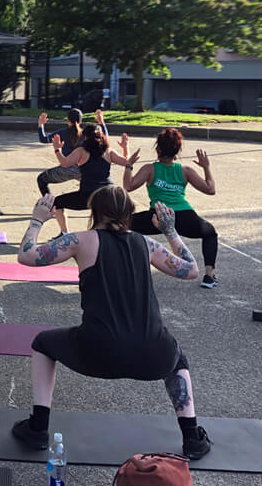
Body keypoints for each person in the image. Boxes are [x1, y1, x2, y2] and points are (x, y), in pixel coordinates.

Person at [12, 187, 211, 461]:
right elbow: (192, 270)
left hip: (97, 352)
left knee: (43, 344)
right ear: (129, 214)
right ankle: (192, 437)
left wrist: (37, 220)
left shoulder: (80, 241)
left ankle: (37, 427)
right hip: (152, 356)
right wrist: (170, 230)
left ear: (95, 213)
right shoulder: (146, 244)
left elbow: (26, 255)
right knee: (176, 360)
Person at [123, 128, 218, 289]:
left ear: (158, 149)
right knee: (210, 233)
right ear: (177, 151)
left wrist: (128, 165)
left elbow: (128, 186)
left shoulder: (150, 169)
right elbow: (210, 189)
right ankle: (209, 276)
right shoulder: (185, 170)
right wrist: (206, 167)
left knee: (122, 225)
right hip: (183, 215)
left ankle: (126, 269)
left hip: (157, 216)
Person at [49, 122, 130, 234]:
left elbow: (65, 163)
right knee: (104, 215)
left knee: (57, 202)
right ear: (102, 136)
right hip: (108, 193)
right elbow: (127, 162)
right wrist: (125, 147)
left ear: (85, 136)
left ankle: (65, 233)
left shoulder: (81, 151)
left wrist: (57, 150)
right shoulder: (108, 151)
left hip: (88, 195)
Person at [36, 108, 109, 195]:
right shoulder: (86, 134)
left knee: (41, 179)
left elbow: (44, 139)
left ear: (68, 120)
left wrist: (41, 125)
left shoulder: (62, 133)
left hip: (66, 168)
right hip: (83, 169)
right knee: (95, 188)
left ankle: (50, 203)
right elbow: (105, 137)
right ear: (81, 121)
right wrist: (101, 122)